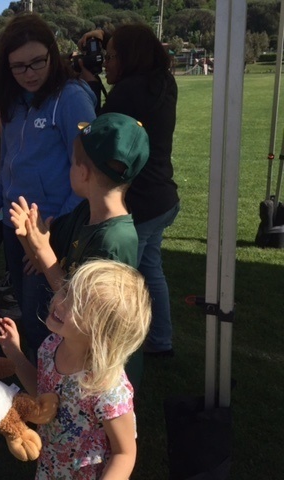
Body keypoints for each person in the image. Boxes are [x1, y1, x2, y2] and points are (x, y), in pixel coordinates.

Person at [0, 13, 96, 356]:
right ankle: (38, 385)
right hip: (15, 227)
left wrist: (53, 231)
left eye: (38, 62)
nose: (30, 73)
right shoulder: (10, 101)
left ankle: (48, 398)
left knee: (49, 317)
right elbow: (10, 166)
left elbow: (87, 173)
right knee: (31, 308)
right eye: (19, 67)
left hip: (51, 230)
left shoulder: (71, 98)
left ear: (53, 55)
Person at [9, 112, 150, 389]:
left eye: (72, 162)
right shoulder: (85, 212)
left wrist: (43, 251)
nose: (70, 168)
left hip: (100, 370)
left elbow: (84, 310)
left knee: (92, 429)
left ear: (83, 173)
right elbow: (43, 255)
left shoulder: (115, 241)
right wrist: (29, 237)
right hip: (77, 349)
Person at [0, 259, 152, 479]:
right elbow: (42, 395)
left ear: (100, 333)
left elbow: (124, 452)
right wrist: (15, 355)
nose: (61, 302)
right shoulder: (51, 345)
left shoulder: (109, 388)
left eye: (77, 306)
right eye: (66, 290)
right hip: (51, 466)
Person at [78, 24, 180, 357]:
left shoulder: (128, 91)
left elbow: (99, 136)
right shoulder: (163, 82)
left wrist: (91, 85)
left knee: (117, 284)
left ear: (129, 56)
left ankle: (114, 352)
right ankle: (161, 341)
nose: (105, 63)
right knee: (152, 270)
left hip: (141, 202)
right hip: (162, 195)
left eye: (110, 56)